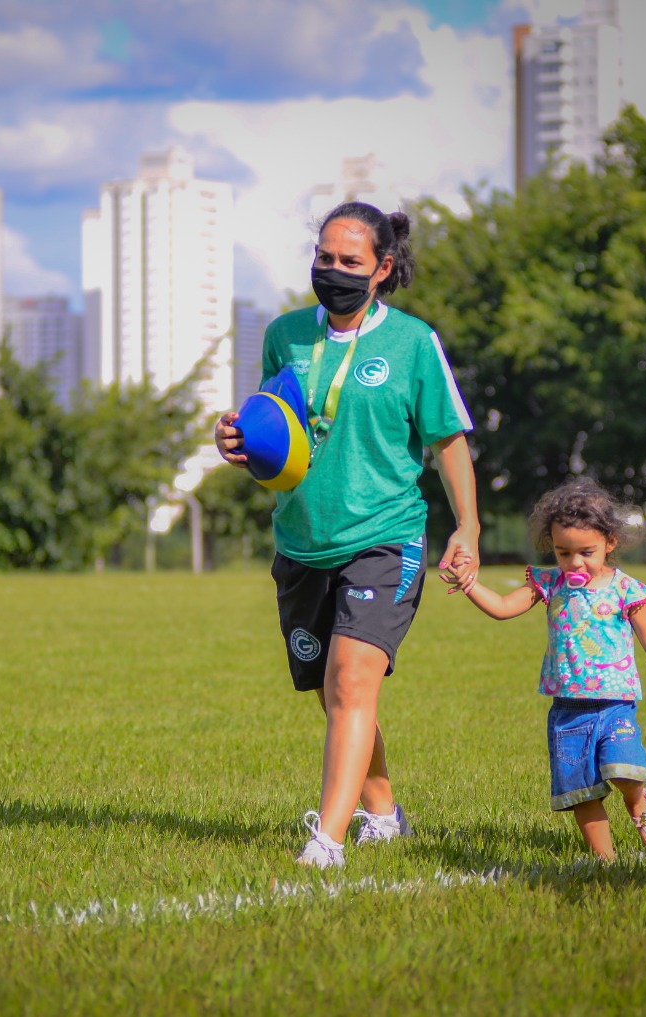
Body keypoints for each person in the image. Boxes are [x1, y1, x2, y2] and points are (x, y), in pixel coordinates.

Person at [215, 201, 480, 868]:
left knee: (353, 676)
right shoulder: (284, 336)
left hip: (387, 532)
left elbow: (447, 441)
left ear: (383, 267)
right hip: (304, 538)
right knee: (336, 692)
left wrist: (468, 527)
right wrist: (240, 443)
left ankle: (327, 841)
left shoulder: (413, 343)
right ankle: (384, 816)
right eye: (324, 258)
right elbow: (280, 438)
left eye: (349, 261)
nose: (332, 271)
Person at [444, 477, 646, 860]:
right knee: (581, 790)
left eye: (586, 551)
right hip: (567, 711)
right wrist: (469, 584)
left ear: (610, 542)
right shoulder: (548, 583)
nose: (575, 562)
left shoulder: (624, 589)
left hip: (616, 704)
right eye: (564, 553)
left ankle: (637, 799)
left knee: (623, 768)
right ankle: (606, 860)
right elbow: (501, 608)